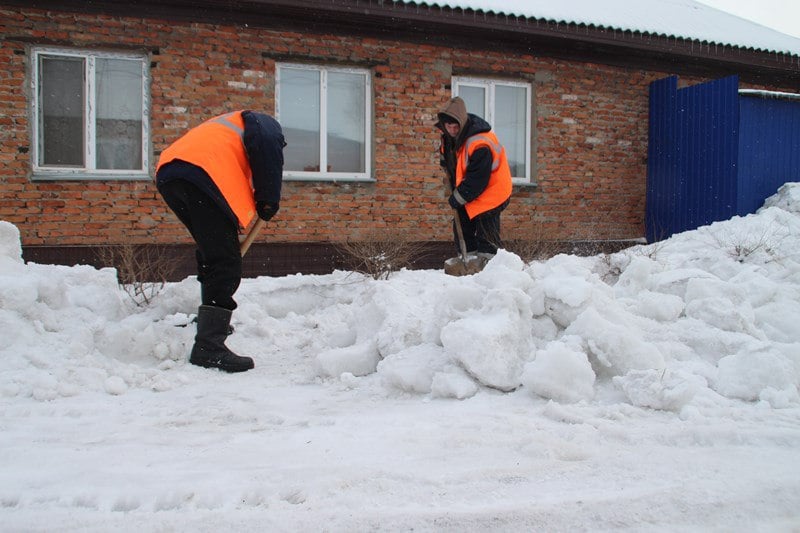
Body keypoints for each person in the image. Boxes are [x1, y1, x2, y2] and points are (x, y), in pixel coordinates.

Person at [156, 110, 285, 373]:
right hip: (201, 174)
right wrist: (269, 197)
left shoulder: (230, 126)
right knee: (225, 260)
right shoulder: (267, 125)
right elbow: (269, 148)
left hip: (172, 173)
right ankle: (209, 346)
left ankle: (211, 325)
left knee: (212, 251)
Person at [435, 96, 512, 261]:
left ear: (462, 123)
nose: (453, 130)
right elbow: (453, 159)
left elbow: (478, 178)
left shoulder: (480, 142)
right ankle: (468, 262)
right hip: (472, 188)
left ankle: (488, 265)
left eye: (456, 127)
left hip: (493, 190)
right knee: (461, 225)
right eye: (449, 126)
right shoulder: (448, 136)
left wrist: (458, 197)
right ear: (444, 124)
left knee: (486, 231)